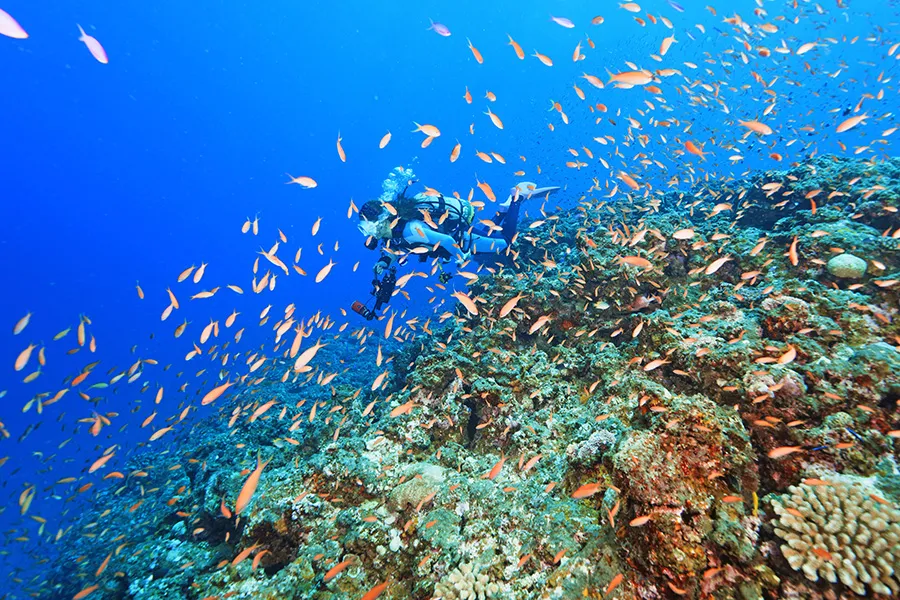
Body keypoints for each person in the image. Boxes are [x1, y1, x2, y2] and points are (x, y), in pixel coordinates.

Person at [351, 176, 560, 319]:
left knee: (505, 241)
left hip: (462, 240)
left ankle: (517, 198)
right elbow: (395, 251)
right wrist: (383, 262)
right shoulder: (391, 234)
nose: (367, 233)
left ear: (377, 222)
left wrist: (461, 256)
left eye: (366, 227)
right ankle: (504, 209)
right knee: (490, 233)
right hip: (460, 236)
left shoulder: (410, 230)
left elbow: (447, 241)